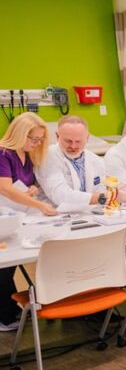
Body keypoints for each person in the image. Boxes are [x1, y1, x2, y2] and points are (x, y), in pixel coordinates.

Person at [0, 112, 54, 332]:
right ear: (20, 134)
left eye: (40, 139)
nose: (37, 143)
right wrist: (39, 205)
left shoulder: (27, 154)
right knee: (3, 267)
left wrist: (34, 190)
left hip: (17, 217)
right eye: (34, 139)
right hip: (5, 215)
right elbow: (6, 188)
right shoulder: (4, 153)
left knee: (10, 266)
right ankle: (5, 316)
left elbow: (27, 184)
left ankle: (10, 308)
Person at [38, 115, 106, 210]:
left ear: (87, 138)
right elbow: (60, 196)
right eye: (68, 141)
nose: (73, 146)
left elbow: (101, 190)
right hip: (56, 215)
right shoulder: (47, 157)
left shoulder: (96, 160)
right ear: (57, 136)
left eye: (78, 141)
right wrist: (104, 197)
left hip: (88, 214)